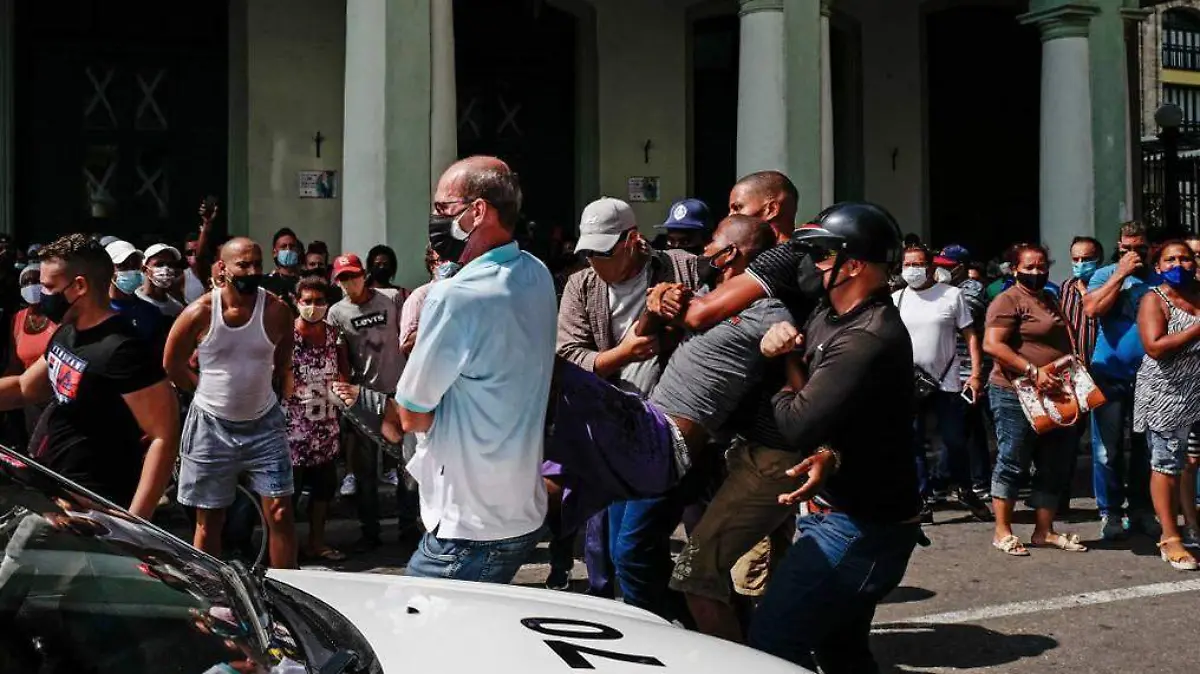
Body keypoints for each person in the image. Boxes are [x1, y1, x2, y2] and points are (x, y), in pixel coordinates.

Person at [336, 156, 557, 584]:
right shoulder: (537, 273)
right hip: (522, 513)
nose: (435, 219)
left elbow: (411, 413)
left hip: (467, 527)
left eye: (443, 208)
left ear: (478, 212)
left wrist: (374, 407)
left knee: (418, 639)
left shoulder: (454, 297)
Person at [745, 202, 923, 671]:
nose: (812, 264)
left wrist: (781, 360)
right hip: (841, 514)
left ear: (856, 265)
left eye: (824, 254)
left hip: (860, 528)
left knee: (770, 642)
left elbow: (797, 422)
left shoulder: (869, 335)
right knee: (841, 651)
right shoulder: (830, 311)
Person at [556, 196, 700, 611]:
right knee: (618, 547)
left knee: (637, 546)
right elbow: (567, 355)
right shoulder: (581, 286)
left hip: (674, 422)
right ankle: (663, 619)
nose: (595, 262)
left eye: (603, 252)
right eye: (588, 253)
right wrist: (623, 354)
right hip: (614, 426)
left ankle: (678, 623)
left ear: (632, 241)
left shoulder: (681, 267)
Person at [0, 234, 180, 518]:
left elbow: (164, 436)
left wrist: (134, 523)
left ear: (79, 286)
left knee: (15, 564)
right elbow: (25, 388)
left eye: (49, 287)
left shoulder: (123, 349)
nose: (43, 295)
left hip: (97, 504)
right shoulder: (67, 332)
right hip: (56, 492)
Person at [164, 237, 297, 568]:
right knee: (209, 521)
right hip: (211, 426)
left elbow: (282, 356)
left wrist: (276, 381)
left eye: (257, 264)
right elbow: (172, 363)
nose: (252, 271)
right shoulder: (201, 312)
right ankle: (213, 598)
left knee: (280, 513)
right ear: (222, 268)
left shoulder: (277, 311)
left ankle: (289, 593)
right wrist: (200, 390)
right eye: (243, 265)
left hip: (264, 422)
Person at [984, 243, 1086, 557]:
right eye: (1029, 267)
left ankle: (1045, 531)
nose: (1036, 272)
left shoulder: (1049, 298)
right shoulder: (1007, 300)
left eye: (1042, 266)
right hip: (1016, 392)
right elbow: (993, 344)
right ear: (1014, 269)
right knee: (1013, 460)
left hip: (1056, 391)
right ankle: (1003, 530)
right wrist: (1032, 370)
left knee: (1053, 462)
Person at [893, 244, 991, 522]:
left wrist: (974, 373)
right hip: (908, 384)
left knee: (955, 440)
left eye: (919, 263)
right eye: (908, 264)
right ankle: (921, 498)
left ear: (931, 267)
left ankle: (964, 487)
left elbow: (970, 335)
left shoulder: (951, 296)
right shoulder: (896, 299)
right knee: (913, 443)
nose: (913, 270)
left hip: (947, 381)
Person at [326, 252, 413, 548]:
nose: (350, 283)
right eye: (343, 279)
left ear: (364, 274)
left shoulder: (392, 298)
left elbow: (409, 335)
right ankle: (370, 532)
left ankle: (409, 527)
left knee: (407, 467)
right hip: (363, 397)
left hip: (399, 393)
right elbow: (340, 357)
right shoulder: (337, 312)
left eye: (353, 275)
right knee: (365, 473)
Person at [1084, 221, 1157, 540]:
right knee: (1107, 450)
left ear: (1150, 248)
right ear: (1118, 247)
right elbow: (1092, 309)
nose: (1133, 254)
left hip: (1151, 377)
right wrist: (1121, 273)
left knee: (1147, 448)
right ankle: (1110, 511)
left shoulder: (1159, 277)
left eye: (1139, 248)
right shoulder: (1104, 275)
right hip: (1109, 373)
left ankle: (1141, 508)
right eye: (1126, 249)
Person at [1133, 241, 1200, 569]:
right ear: (1157, 267)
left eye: (1185, 258)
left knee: (1192, 461)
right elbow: (1155, 347)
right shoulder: (1154, 299)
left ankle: (1192, 523)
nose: (1179, 264)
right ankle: (1170, 537)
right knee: (1167, 463)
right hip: (1166, 394)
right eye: (1170, 259)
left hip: (1197, 391)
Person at [284, 277, 350, 563]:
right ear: (296, 302)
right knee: (289, 493)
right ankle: (285, 548)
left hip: (326, 426)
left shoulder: (335, 336)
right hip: (292, 431)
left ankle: (316, 542)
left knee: (323, 490)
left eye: (319, 301)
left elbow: (345, 374)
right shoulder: (286, 336)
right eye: (307, 301)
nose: (313, 307)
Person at [5, 265, 57, 442]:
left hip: (55, 397)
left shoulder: (58, 316)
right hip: (29, 398)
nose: (31, 286)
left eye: (36, 281)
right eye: (26, 282)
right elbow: (14, 363)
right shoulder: (18, 318)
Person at [104, 240, 168, 352]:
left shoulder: (151, 311)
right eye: (123, 265)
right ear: (107, 269)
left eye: (135, 265)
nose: (131, 270)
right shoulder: (97, 310)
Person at [1059, 236, 1103, 365]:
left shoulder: (1108, 286)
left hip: (1101, 365)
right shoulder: (1066, 287)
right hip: (1074, 367)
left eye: (1086, 259)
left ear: (1099, 260)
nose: (1080, 263)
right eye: (1075, 259)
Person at [137, 243, 186, 318]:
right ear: (145, 270)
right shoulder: (135, 301)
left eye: (170, 265)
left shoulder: (177, 308)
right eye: (159, 264)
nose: (166, 269)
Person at [261, 227, 304, 305]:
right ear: (275, 253)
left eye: (292, 246)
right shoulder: (265, 283)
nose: (288, 250)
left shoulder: (305, 282)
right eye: (283, 247)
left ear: (298, 251)